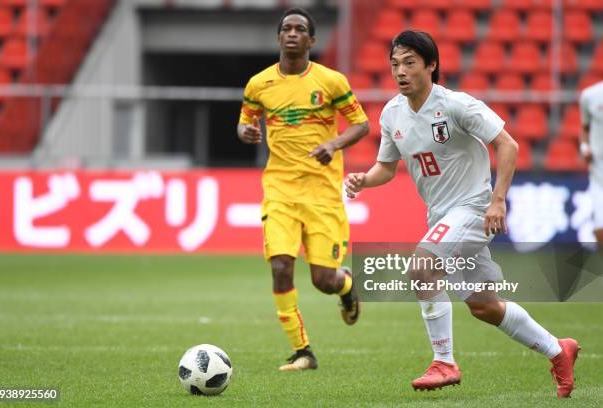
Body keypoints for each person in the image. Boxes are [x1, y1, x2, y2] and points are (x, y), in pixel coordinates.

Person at [345, 30, 579, 398]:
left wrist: (497, 200)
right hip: (441, 218)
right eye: (394, 64)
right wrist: (364, 180)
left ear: (431, 65)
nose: (400, 72)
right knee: (485, 307)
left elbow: (508, 144)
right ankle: (558, 349)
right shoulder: (392, 113)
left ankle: (444, 362)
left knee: (422, 267)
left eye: (409, 63)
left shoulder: (456, 105)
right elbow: (386, 168)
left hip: (473, 209)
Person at [237, 8, 369, 371]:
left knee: (323, 280)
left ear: (311, 40)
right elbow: (245, 121)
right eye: (286, 28)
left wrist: (334, 144)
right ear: (279, 37)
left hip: (322, 194)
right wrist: (245, 131)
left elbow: (361, 124)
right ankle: (303, 352)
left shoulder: (331, 82)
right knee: (280, 267)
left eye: (300, 29)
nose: (292, 33)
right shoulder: (259, 84)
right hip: (279, 189)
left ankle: (345, 287)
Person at [579, 80, 603, 248]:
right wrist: (585, 147)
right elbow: (584, 128)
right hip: (599, 171)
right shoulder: (590, 95)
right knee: (600, 228)